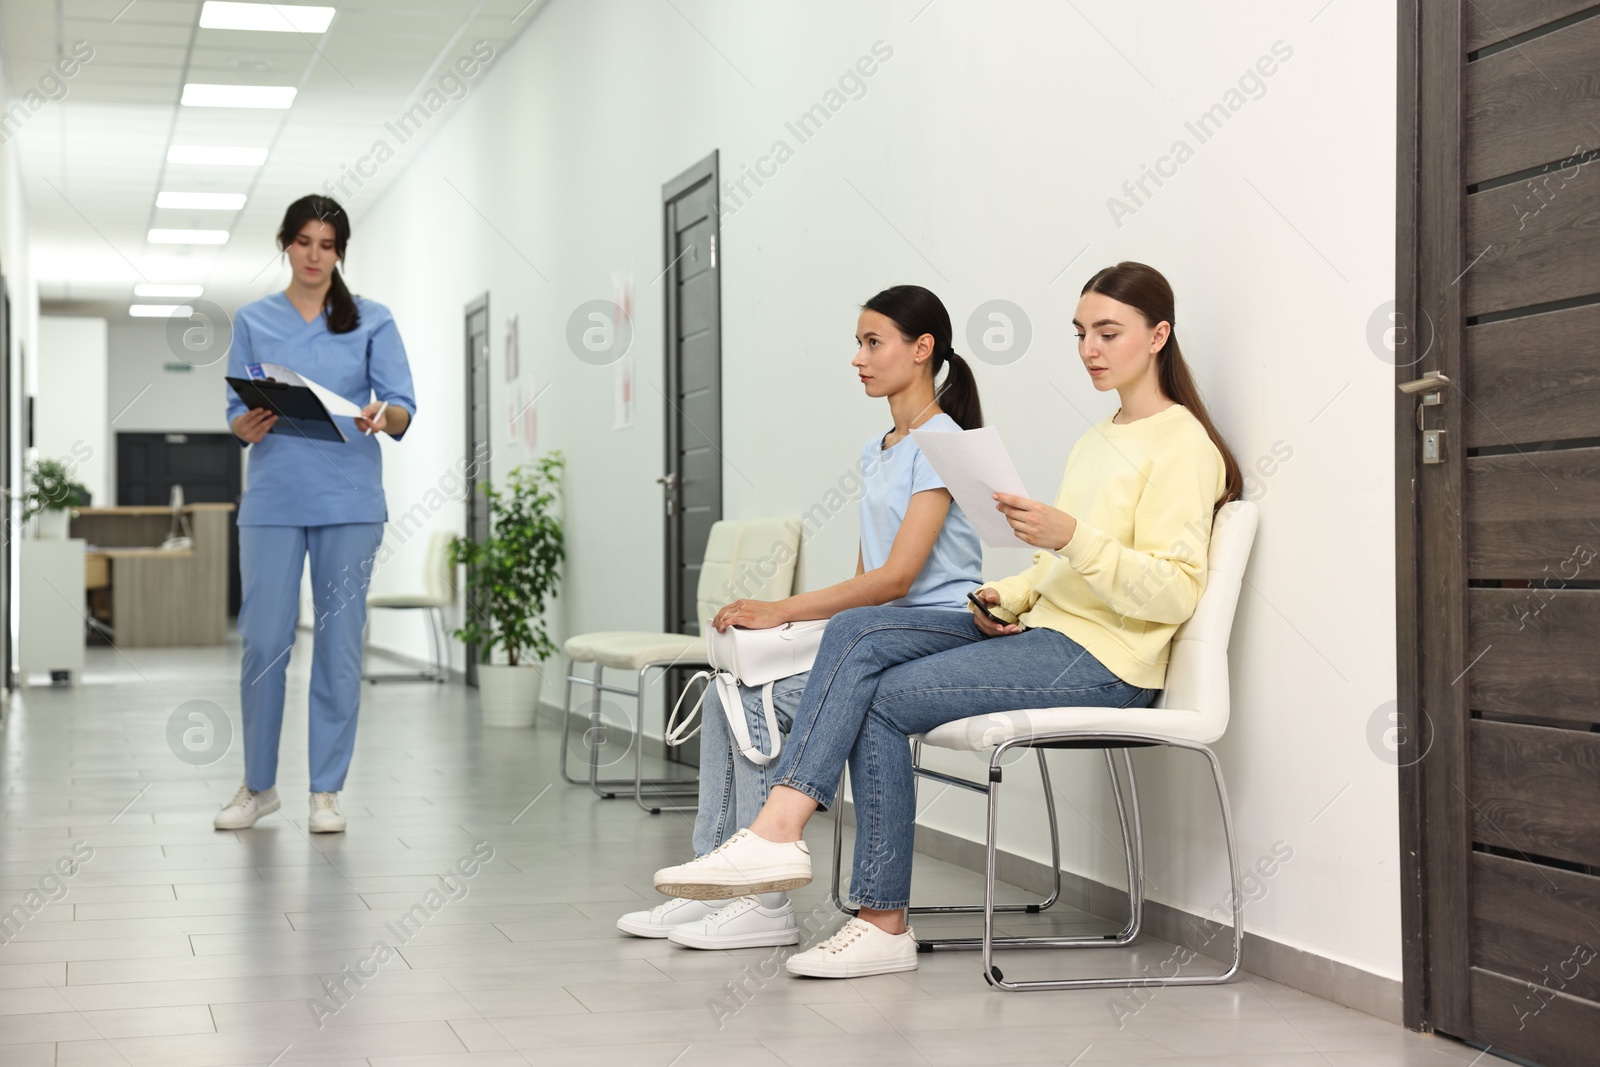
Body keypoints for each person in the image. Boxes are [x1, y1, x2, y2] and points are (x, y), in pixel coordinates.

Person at [652, 261, 1243, 978]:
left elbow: (1174, 591)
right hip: (1046, 632)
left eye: (1108, 332)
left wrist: (1069, 536)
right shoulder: (1099, 438)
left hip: (1107, 661)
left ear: (1158, 336)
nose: (1090, 348)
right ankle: (870, 913)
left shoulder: (1183, 443)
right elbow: (1060, 572)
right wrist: (1005, 595)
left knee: (868, 671)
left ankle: (797, 845)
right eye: (1081, 332)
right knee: (858, 640)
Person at [617, 285, 985, 950]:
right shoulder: (882, 449)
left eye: (873, 342)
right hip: (883, 633)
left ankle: (762, 899)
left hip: (941, 632)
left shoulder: (943, 442)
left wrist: (780, 607)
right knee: (731, 688)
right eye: (859, 343)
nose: (859, 358)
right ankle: (717, 879)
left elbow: (900, 577)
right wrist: (784, 628)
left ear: (922, 349)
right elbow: (866, 584)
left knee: (761, 697)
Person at [214, 195, 417, 834]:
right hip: (274, 500)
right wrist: (243, 426)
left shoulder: (372, 320)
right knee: (265, 643)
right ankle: (258, 786)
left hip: (349, 502)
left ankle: (325, 792)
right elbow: (234, 409)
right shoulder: (254, 319)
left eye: (326, 245)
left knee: (337, 646)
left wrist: (385, 415)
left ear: (340, 253)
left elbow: (404, 406)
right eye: (303, 242)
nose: (313, 255)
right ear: (286, 244)